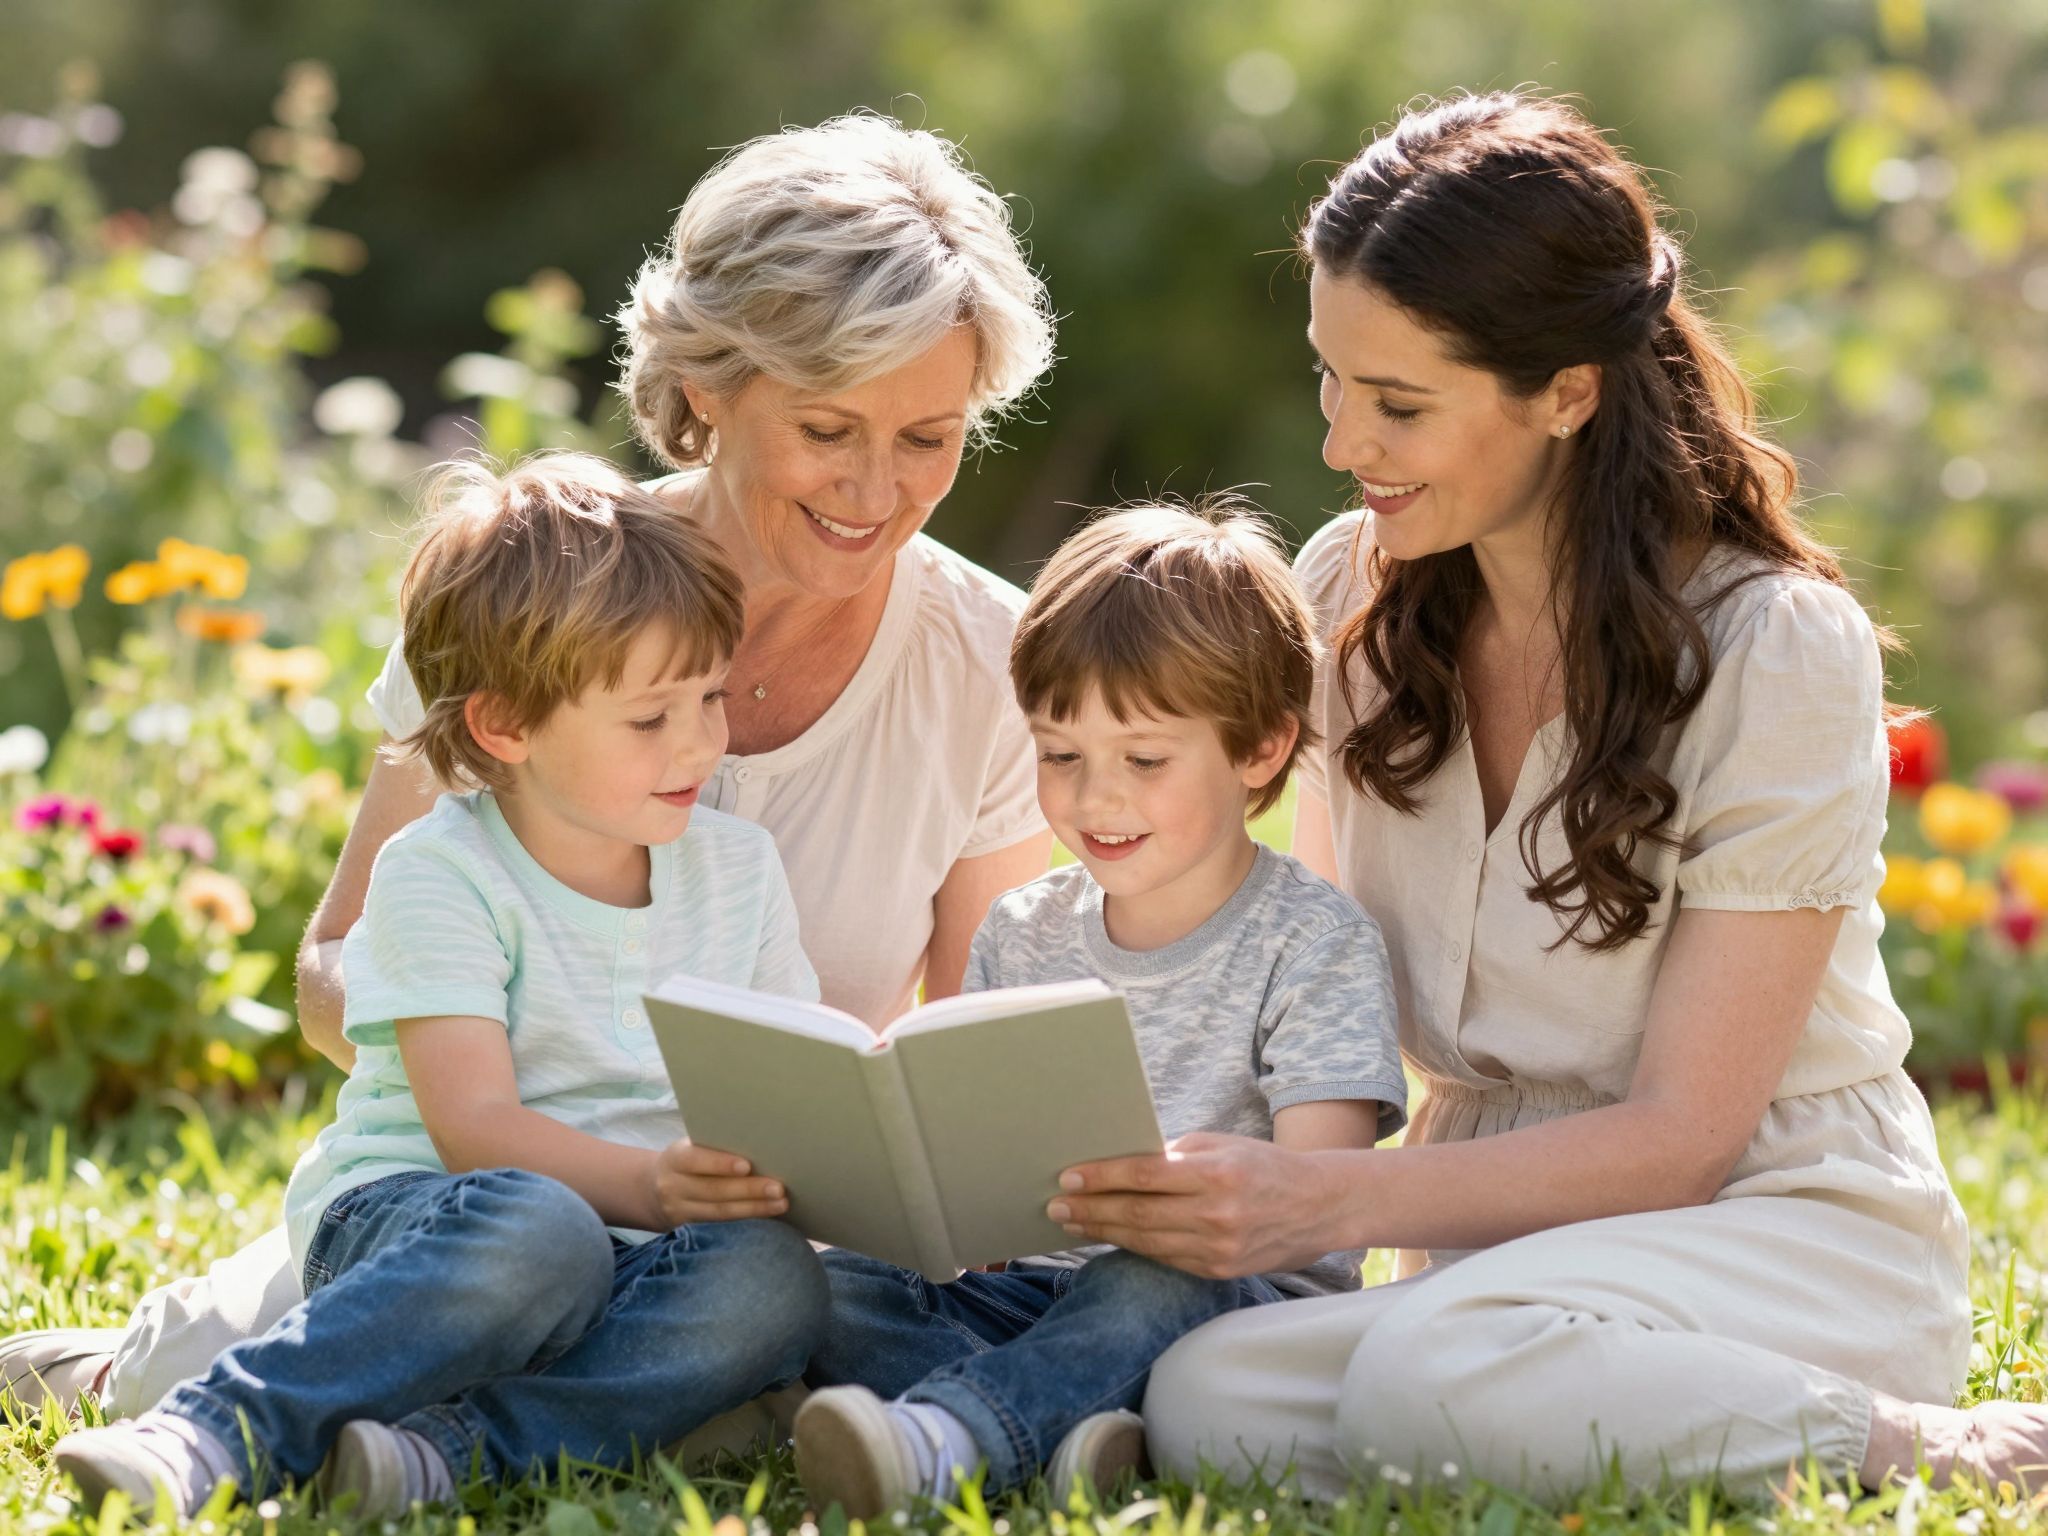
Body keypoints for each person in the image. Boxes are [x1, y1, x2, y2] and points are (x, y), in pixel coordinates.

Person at [1043, 92, 2046, 1500]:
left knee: (1434, 1375)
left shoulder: (1771, 645)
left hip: (1778, 1221)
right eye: (1332, 379)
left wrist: (1335, 1201)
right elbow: (1304, 954)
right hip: (1491, 1257)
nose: (1344, 443)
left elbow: (1686, 1135)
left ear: (1569, 392)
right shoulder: (1348, 593)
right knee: (1212, 1392)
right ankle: (1500, 1415)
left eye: (1400, 405)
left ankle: (1927, 1445)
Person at [1, 113, 1057, 1429]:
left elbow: (957, 1060)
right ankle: (118, 1365)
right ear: (711, 387)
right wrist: (510, 1090)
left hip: (741, 1233)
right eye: (831, 429)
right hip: (480, 1206)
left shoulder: (995, 661)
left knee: (818, 1320)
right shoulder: (529, 596)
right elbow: (337, 966)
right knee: (208, 1373)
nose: (879, 491)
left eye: (930, 437)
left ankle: (515, 1419)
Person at [53, 455, 834, 1518]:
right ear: (503, 724)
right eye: (650, 719)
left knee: (772, 1281)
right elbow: (476, 1130)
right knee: (543, 1233)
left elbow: (794, 1068)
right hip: (429, 1221)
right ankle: (211, 1432)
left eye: (708, 694)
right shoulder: (441, 869)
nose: (700, 740)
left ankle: (441, 1455)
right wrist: (656, 1184)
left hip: (634, 1249)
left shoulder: (736, 870)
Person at [792, 504, 1408, 1516]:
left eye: (1143, 760)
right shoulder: (1020, 928)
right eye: (1058, 754)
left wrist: (1166, 1203)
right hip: (1035, 1294)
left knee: (1147, 1283)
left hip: (1225, 1298)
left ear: (1259, 749)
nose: (1092, 799)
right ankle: (1064, 1430)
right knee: (830, 1282)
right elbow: (979, 1181)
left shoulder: (1314, 940)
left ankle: (945, 1439)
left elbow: (1314, 1215)